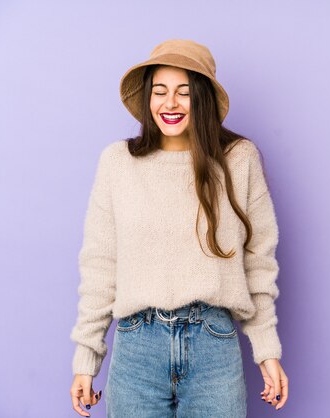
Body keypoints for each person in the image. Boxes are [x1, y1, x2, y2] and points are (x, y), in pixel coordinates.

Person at [68, 39, 289, 417]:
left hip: (213, 346)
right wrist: (86, 357)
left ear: (201, 99)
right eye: (160, 91)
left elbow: (258, 260)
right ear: (147, 97)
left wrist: (267, 350)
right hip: (138, 347)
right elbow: (100, 265)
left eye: (184, 92)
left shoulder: (239, 159)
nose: (170, 103)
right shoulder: (117, 163)